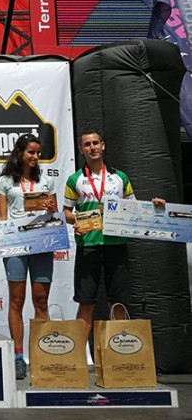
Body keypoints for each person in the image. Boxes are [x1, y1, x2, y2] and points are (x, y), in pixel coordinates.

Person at [63, 129, 165, 339]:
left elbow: (133, 208)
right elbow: (66, 213)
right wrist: (79, 220)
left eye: (95, 143)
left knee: (118, 301)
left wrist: (155, 206)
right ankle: (78, 358)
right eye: (87, 144)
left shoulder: (120, 177)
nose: (92, 147)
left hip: (116, 243)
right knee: (86, 302)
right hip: (88, 245)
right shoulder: (75, 179)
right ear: (81, 150)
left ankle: (120, 355)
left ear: (103, 146)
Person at [0, 133, 57, 380]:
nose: (35, 157)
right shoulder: (5, 182)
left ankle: (41, 355)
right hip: (15, 245)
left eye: (38, 153)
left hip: (41, 243)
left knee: (41, 301)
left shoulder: (47, 181)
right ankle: (18, 356)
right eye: (31, 152)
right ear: (20, 153)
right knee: (16, 301)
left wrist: (51, 209)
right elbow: (1, 216)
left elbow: (55, 213)